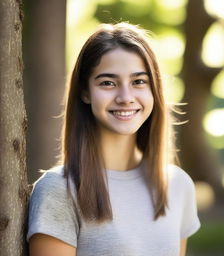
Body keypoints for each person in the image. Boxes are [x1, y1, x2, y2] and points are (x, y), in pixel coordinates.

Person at [27, 22, 200, 256]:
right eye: (108, 83)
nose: (126, 97)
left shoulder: (179, 185)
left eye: (139, 81)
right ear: (85, 92)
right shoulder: (58, 190)